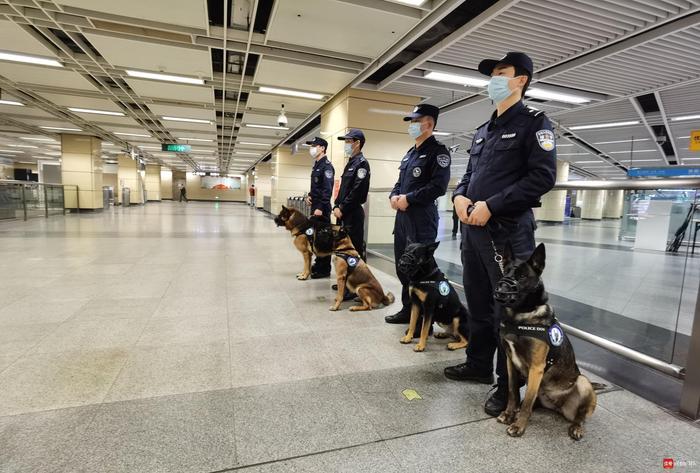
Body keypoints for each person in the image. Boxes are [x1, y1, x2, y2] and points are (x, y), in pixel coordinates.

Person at [443, 52, 557, 417]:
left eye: (500, 73)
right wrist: (460, 196)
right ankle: (477, 364)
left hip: (508, 234)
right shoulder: (483, 130)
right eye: (491, 74)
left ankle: (507, 383)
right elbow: (469, 175)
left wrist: (492, 204)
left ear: (520, 80)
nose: (492, 79)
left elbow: (541, 177)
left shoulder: (533, 124)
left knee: (507, 312)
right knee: (477, 302)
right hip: (473, 233)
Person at [385, 103, 451, 327]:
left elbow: (438, 186)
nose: (412, 125)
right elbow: (399, 183)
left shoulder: (438, 152)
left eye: (416, 121)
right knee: (403, 265)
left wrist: (409, 198)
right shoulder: (410, 153)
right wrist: (394, 195)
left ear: (429, 124)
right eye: (411, 121)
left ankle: (426, 318)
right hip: (403, 219)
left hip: (422, 219)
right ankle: (408, 308)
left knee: (422, 270)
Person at [334, 129, 370, 260]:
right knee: (342, 248)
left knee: (353, 250)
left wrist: (342, 207)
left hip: (352, 214)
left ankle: (356, 280)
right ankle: (345, 280)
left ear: (357, 143)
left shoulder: (362, 164)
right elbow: (343, 189)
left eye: (348, 141)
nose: (346, 145)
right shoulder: (350, 163)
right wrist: (336, 206)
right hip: (342, 214)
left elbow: (357, 191)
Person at [304, 136, 335, 279]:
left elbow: (327, 190)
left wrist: (321, 207)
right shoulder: (317, 165)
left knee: (324, 239)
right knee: (316, 238)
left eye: (314, 145)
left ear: (322, 148)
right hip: (315, 205)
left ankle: (324, 269)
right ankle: (318, 264)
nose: (312, 148)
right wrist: (309, 196)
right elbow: (317, 187)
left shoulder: (327, 166)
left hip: (321, 209)